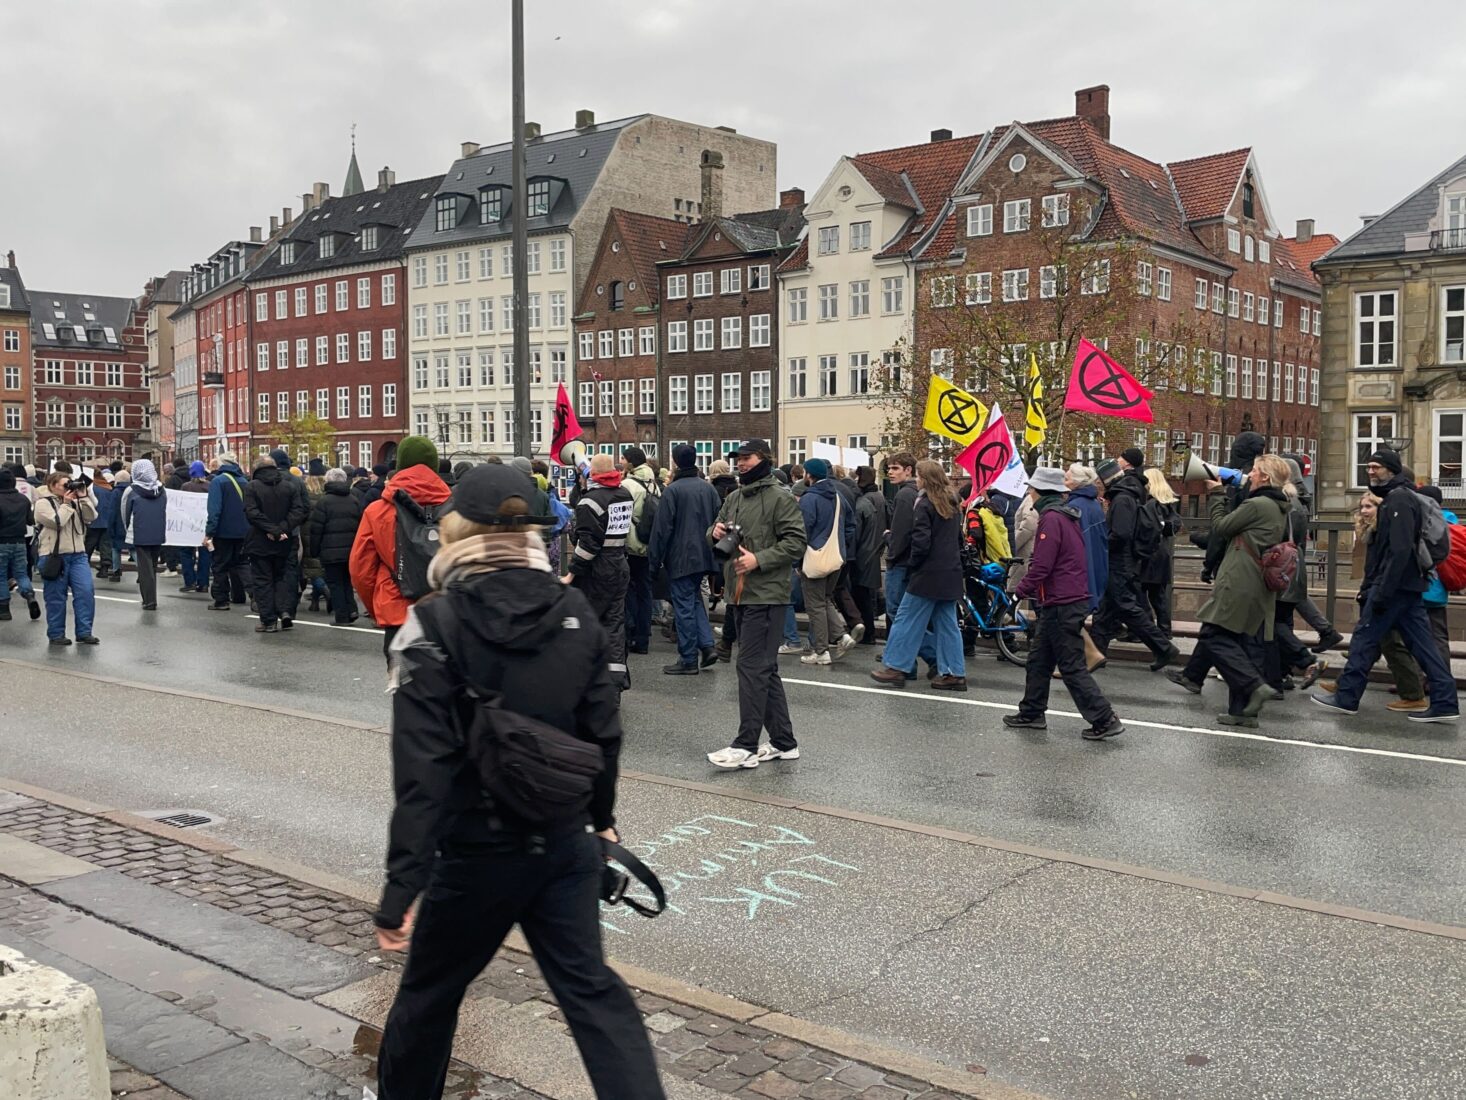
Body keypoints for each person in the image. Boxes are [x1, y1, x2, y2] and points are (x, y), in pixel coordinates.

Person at [373, 463, 665, 1100]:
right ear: (537, 532)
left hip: (477, 850)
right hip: (563, 843)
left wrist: (403, 886)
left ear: (456, 532)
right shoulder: (575, 611)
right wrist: (601, 816)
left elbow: (423, 770)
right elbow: (602, 731)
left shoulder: (435, 624)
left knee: (429, 999)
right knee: (593, 996)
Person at [1313, 450, 1459, 721]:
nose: (1370, 471)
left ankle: (1346, 697)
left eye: (1376, 467)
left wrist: (1381, 590)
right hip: (1407, 587)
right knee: (1423, 646)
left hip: (1393, 587)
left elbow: (1399, 550)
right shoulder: (1399, 498)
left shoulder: (1398, 500)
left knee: (1364, 640)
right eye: (1368, 466)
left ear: (1392, 470)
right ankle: (1445, 700)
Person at [706, 439, 807, 769]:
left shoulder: (779, 497)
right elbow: (717, 530)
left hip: (766, 594)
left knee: (751, 668)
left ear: (763, 458)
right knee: (764, 670)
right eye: (738, 459)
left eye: (747, 458)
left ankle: (746, 745)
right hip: (740, 593)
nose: (741, 463)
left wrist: (759, 560)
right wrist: (715, 531)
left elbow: (796, 543)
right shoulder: (734, 496)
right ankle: (783, 742)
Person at [1003, 468, 1123, 739]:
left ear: (1040, 492)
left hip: (1061, 602)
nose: (1029, 494)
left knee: (1070, 666)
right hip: (1065, 599)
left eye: (1032, 489)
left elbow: (1042, 566)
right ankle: (1031, 712)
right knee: (1038, 660)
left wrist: (1017, 593)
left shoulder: (1052, 519)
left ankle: (1104, 718)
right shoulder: (1066, 515)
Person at [1186, 455, 1293, 727]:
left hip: (1240, 579)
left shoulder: (1258, 504)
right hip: (1256, 582)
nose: (1250, 475)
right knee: (1247, 643)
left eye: (1255, 471)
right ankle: (1242, 711)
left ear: (1266, 477)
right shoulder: (1279, 505)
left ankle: (1254, 685)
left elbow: (1222, 527)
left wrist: (1218, 495)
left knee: (1213, 635)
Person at [1312, 493, 1427, 710]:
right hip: (1381, 592)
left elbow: (1382, 566)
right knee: (1372, 644)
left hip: (1387, 594)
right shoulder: (1370, 531)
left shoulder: (1384, 531)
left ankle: (1414, 695)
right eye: (1362, 506)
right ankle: (1343, 685)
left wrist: (1372, 592)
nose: (1363, 511)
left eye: (1370, 506)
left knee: (1389, 644)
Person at [351, 436, 452, 659]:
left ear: (400, 465)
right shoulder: (457, 510)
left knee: (404, 686)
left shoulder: (377, 510)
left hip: (397, 612)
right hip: (445, 614)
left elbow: (361, 570)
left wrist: (376, 608)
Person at [870, 461, 966, 690]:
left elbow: (921, 542)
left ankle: (896, 666)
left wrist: (913, 564)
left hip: (927, 573)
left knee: (905, 618)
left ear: (924, 478)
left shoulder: (924, 503)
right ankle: (954, 672)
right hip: (950, 571)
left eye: (920, 476)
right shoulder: (952, 503)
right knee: (947, 624)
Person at [1086, 449, 1179, 670]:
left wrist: (1102, 545)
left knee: (1127, 607)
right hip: (1122, 563)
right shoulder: (1128, 494)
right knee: (1105, 611)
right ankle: (1095, 656)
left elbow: (1120, 534)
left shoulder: (1122, 498)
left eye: (1099, 479)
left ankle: (1164, 648)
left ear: (1106, 479)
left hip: (1119, 563)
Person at [647, 444, 721, 674]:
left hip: (681, 556)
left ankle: (688, 659)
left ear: (676, 462)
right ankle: (707, 646)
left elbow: (662, 530)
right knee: (695, 600)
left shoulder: (673, 490)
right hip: (704, 554)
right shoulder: (708, 489)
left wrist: (654, 560)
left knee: (684, 607)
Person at [568, 454, 633, 691]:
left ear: (592, 474)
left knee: (588, 623)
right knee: (615, 624)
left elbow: (588, 545)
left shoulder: (589, 503)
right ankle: (616, 682)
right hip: (620, 565)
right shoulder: (624, 494)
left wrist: (572, 572)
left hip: (598, 570)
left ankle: (587, 683)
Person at [796, 458, 860, 666]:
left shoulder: (809, 499)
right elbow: (851, 525)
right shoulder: (838, 496)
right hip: (836, 557)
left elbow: (801, 532)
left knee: (815, 604)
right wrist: (840, 543)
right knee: (825, 599)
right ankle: (842, 636)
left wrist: (797, 560)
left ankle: (821, 651)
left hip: (815, 557)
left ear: (809, 475)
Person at [243, 455, 308, 633]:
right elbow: (299, 510)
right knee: (282, 578)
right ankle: (285, 610)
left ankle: (269, 620)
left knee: (263, 581)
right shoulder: (290, 486)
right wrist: (282, 530)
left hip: (260, 540)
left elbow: (252, 513)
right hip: (285, 541)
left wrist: (272, 530)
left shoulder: (252, 487)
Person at [34, 470, 99, 645]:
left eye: (70, 483)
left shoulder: (76, 501)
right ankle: (56, 634)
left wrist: (83, 497)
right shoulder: (42, 504)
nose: (69, 487)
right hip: (54, 557)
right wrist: (66, 504)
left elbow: (92, 517)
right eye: (65, 485)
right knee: (56, 597)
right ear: (52, 486)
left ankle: (84, 632)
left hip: (78, 555)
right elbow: (57, 522)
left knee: (85, 593)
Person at [308, 468, 363, 624]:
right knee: (346, 581)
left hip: (330, 550)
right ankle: (352, 609)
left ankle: (342, 615)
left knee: (336, 583)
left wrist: (314, 550)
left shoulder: (324, 501)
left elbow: (317, 529)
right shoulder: (354, 500)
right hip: (351, 549)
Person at [620, 447, 659, 655]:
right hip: (648, 544)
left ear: (631, 463)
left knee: (629, 590)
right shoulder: (654, 485)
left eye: (623, 459)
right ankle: (644, 638)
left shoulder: (627, 485)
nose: (621, 461)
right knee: (646, 591)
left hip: (631, 544)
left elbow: (620, 515)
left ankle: (631, 633)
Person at [118, 459, 168, 611]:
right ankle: (151, 597)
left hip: (140, 532)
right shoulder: (161, 489)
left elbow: (124, 512)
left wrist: (129, 530)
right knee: (152, 566)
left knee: (144, 569)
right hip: (158, 532)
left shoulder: (131, 490)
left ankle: (149, 600)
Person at [204, 452, 250, 610]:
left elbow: (214, 510)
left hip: (224, 532)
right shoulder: (244, 481)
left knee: (220, 566)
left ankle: (221, 599)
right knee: (243, 564)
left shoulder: (218, 481)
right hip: (243, 531)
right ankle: (256, 596)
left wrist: (209, 532)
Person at [1139, 467, 1180, 638]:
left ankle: (1146, 630)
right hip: (1161, 555)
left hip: (1149, 554)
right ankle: (1164, 630)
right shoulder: (1168, 504)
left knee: (1140, 594)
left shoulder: (1150, 504)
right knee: (1159, 597)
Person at [852, 467, 888, 644]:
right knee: (870, 591)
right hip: (876, 547)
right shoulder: (879, 496)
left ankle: (868, 633)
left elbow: (859, 529)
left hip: (865, 551)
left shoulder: (864, 500)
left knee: (864, 594)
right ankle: (870, 629)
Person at [0, 466, 40, 622]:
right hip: (19, 541)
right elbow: (31, 520)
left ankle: (4, 609)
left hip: (1, 541)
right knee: (21, 573)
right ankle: (29, 596)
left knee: (1, 576)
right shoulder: (23, 499)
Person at [177, 462, 212, 594]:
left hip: (188, 525)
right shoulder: (210, 486)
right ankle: (203, 583)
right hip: (204, 526)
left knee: (186, 553)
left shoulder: (186, 486)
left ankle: (190, 581)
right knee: (205, 555)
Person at [85, 469, 117, 579]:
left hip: (94, 520)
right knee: (105, 545)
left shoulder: (91, 488)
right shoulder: (109, 488)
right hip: (107, 520)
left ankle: (83, 566)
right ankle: (105, 568)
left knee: (89, 545)